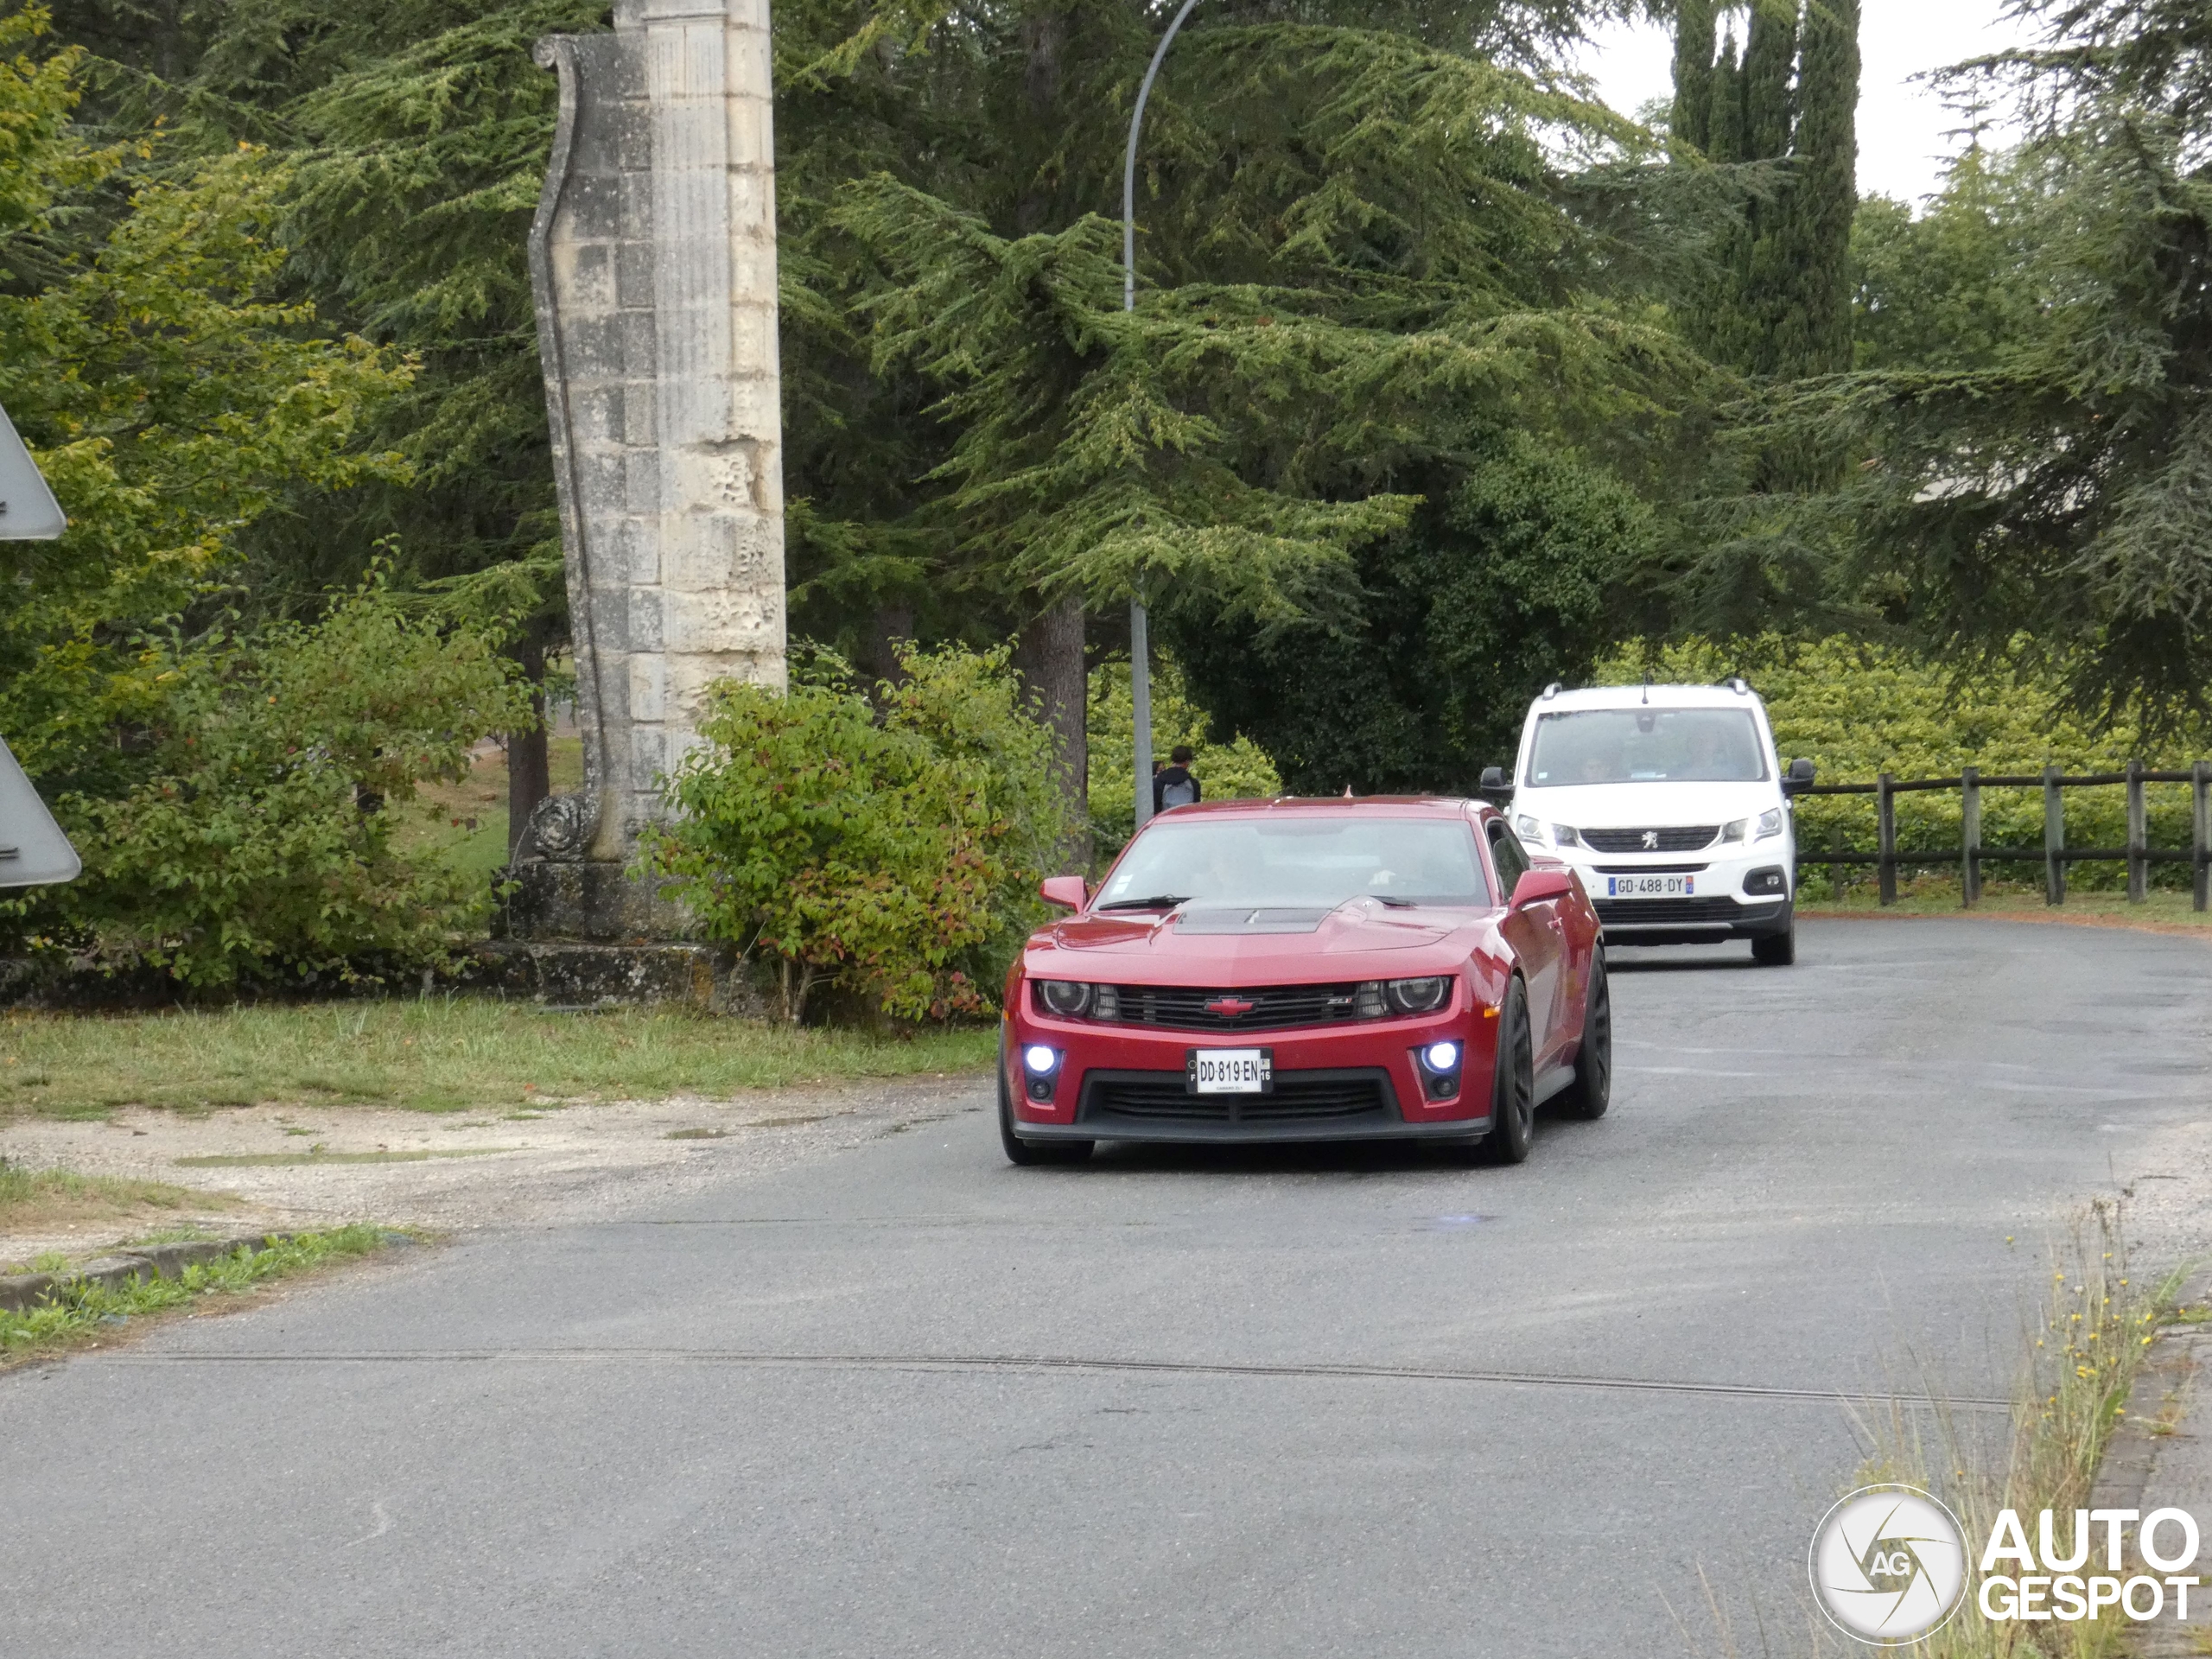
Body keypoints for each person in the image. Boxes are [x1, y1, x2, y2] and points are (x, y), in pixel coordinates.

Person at [1154, 745, 1202, 811]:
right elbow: (1196, 807)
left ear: (1173, 760)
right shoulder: (1193, 783)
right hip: (1186, 819)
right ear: (1187, 761)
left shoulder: (1159, 780)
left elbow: (1156, 807)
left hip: (1166, 819)